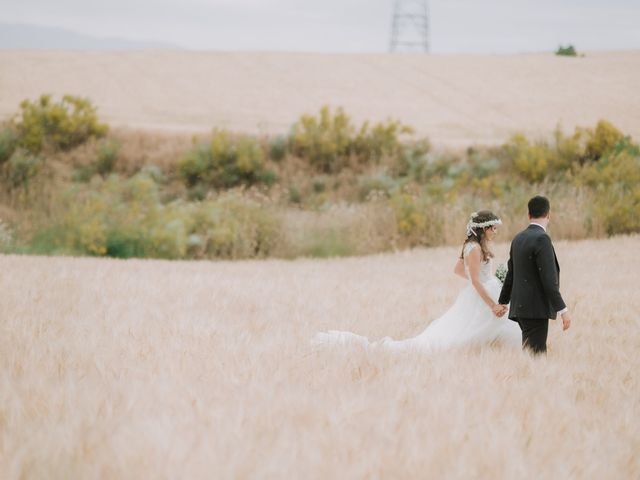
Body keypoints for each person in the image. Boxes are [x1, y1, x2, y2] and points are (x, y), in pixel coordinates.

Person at [311, 211, 521, 352]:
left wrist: (485, 279)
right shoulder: (475, 249)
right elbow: (475, 281)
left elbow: (458, 270)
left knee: (484, 328)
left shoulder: (471, 246)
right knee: (471, 332)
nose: (495, 231)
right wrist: (491, 300)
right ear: (484, 229)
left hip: (482, 290)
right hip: (482, 295)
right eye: (493, 228)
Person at [498, 195, 572, 355]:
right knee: (537, 355)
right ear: (549, 215)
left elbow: (511, 273)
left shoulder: (518, 238)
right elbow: (549, 280)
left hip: (520, 308)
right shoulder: (542, 239)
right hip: (535, 309)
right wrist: (563, 310)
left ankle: (527, 377)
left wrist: (503, 300)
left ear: (528, 215)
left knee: (530, 353)